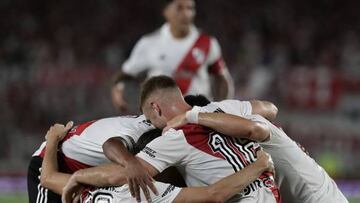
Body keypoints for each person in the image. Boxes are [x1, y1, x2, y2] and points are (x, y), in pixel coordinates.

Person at [62, 76, 281, 203]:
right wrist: (261, 164)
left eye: (150, 119)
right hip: (271, 195)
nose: (153, 126)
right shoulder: (218, 110)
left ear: (155, 108)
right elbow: (271, 109)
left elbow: (123, 175)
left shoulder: (175, 137)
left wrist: (79, 176)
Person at [43, 121, 275, 203]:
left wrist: (52, 139)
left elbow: (47, 178)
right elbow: (215, 194)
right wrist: (259, 166)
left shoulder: (99, 181)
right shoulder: (150, 191)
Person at [165, 102, 349, 202]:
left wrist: (192, 116)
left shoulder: (252, 126)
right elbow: (271, 108)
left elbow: (254, 128)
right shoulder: (243, 138)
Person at [111, 0, 234, 112]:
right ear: (166, 12)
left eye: (190, 8)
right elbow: (125, 74)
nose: (186, 13)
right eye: (179, 8)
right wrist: (117, 94)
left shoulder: (207, 43)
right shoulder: (149, 43)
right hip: (160, 117)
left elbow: (222, 78)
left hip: (198, 115)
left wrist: (220, 107)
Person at [27, 115, 156, 203]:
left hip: (87, 172)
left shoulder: (154, 128)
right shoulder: (137, 136)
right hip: (52, 162)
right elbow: (47, 178)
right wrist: (52, 140)